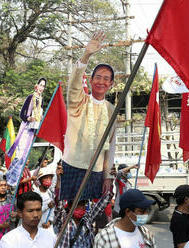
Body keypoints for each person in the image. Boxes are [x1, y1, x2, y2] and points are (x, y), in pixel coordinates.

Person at [60, 31, 116, 201]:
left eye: (106, 79)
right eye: (98, 77)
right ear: (91, 81)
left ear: (111, 84)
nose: (101, 81)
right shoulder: (79, 101)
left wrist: (107, 176)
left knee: (92, 220)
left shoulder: (111, 109)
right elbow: (75, 84)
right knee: (69, 216)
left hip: (97, 172)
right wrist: (86, 54)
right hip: (72, 167)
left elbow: (111, 145)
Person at [54, 163, 112, 248]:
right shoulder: (63, 220)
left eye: (83, 204)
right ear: (70, 206)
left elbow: (103, 201)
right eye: (77, 205)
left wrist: (109, 178)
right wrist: (59, 180)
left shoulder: (88, 219)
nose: (81, 207)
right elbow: (59, 201)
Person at [6, 78, 46, 187]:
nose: (41, 88)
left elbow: (39, 115)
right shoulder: (30, 97)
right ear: (36, 86)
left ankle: (15, 179)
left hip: (33, 130)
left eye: (43, 86)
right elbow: (22, 115)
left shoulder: (41, 100)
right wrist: (29, 118)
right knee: (20, 153)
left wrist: (39, 118)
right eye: (40, 85)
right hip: (25, 129)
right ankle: (10, 178)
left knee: (25, 155)